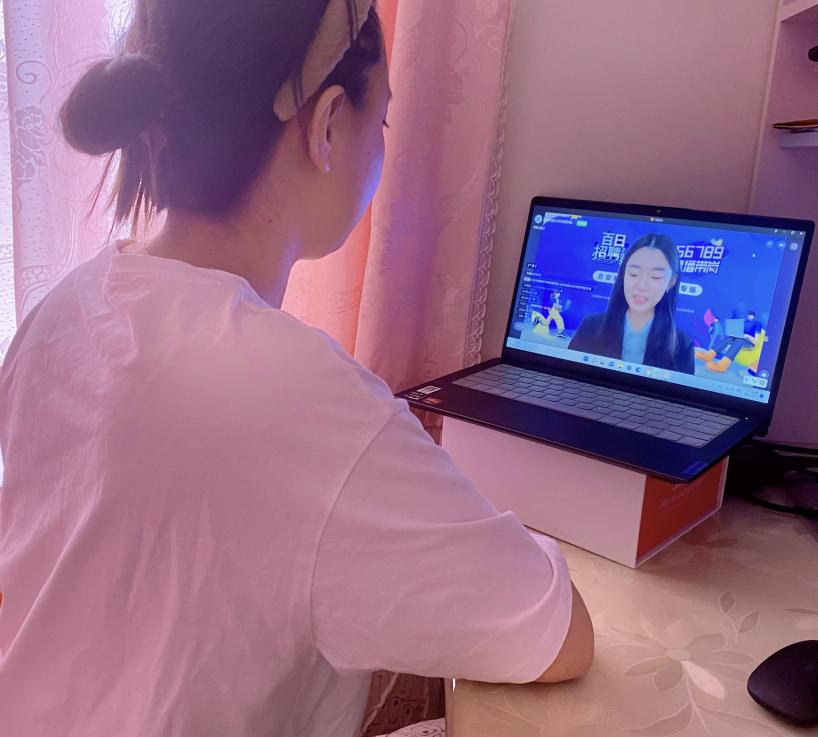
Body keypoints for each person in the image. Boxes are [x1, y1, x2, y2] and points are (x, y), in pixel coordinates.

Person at [0, 2, 593, 736]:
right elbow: (555, 633)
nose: (379, 145)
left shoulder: (60, 312)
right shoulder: (304, 401)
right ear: (328, 124)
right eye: (381, 121)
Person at [568, 234, 695, 374]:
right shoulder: (591, 326)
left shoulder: (683, 345)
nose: (642, 286)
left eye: (655, 277)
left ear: (671, 282)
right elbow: (568, 374)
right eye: (634, 274)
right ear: (623, 275)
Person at [696, 309, 763, 373]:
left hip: (749, 343)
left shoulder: (757, 324)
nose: (749, 316)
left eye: (751, 315)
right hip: (739, 338)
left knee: (739, 340)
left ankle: (723, 365)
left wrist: (747, 336)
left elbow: (756, 342)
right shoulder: (744, 322)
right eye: (749, 315)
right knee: (729, 338)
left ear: (754, 316)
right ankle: (709, 355)